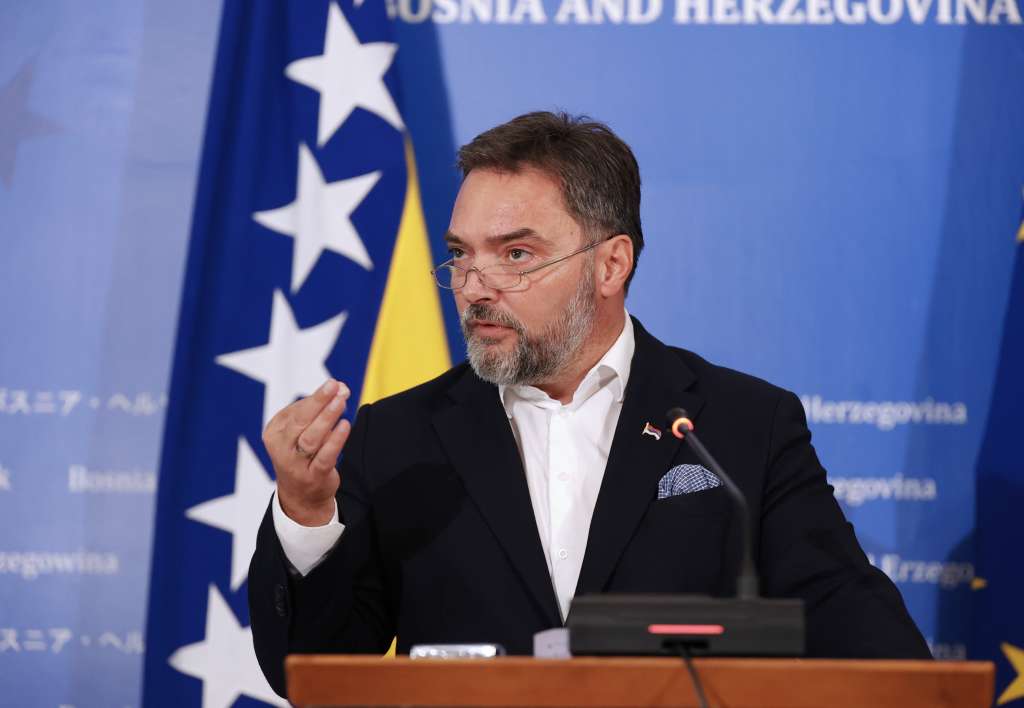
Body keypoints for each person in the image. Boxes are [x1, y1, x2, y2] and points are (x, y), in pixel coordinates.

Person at [249, 111, 931, 696]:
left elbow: (873, 648)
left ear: (611, 264)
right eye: (461, 254)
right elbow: (308, 674)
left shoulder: (741, 427)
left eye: (516, 254)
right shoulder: (397, 436)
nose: (474, 287)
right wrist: (306, 514)